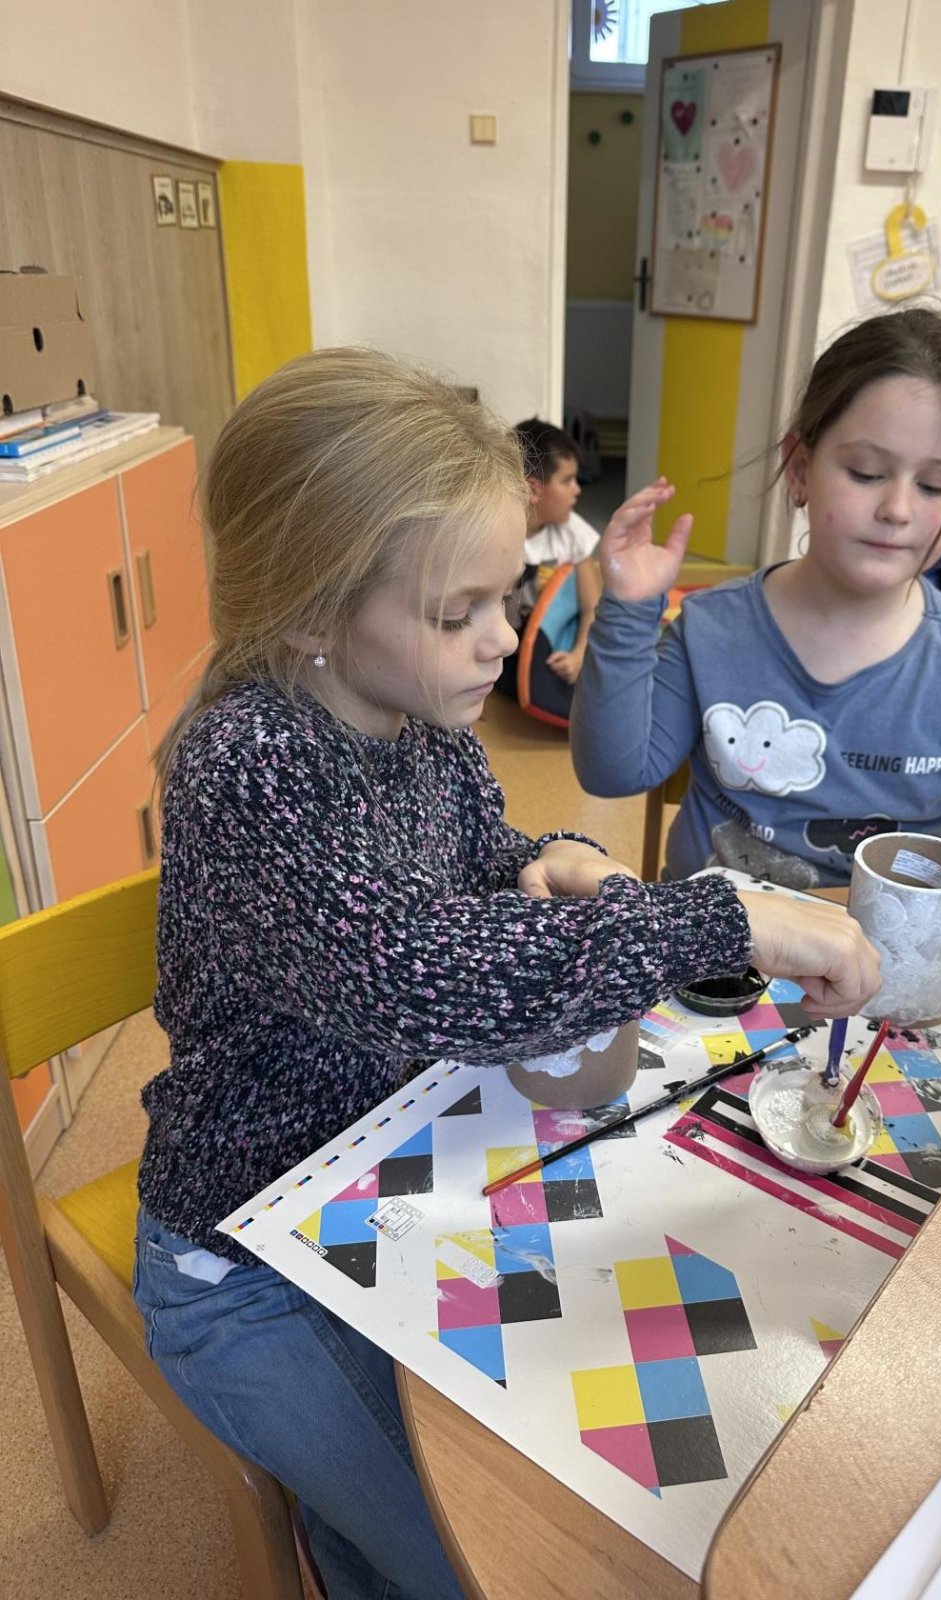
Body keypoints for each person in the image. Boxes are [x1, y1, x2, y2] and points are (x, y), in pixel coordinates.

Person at [134, 348, 882, 1600]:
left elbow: (483, 863)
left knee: (592, 1427)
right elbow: (420, 970)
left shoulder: (425, 724)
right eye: (458, 615)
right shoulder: (250, 764)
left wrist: (560, 859)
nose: (502, 640)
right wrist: (721, 917)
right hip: (249, 1264)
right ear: (314, 613)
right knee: (495, 1563)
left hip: (385, 1181)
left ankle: (350, 1538)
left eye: (509, 597)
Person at [571, 307, 941, 948]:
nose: (897, 509)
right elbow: (612, 772)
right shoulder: (710, 628)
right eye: (866, 473)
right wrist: (628, 611)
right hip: (714, 955)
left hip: (881, 966)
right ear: (800, 469)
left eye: (934, 485)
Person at [495, 417, 602, 718]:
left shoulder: (572, 534)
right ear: (534, 488)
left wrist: (578, 654)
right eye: (567, 481)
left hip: (552, 642)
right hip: (505, 648)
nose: (577, 490)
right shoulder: (496, 535)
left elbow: (591, 608)